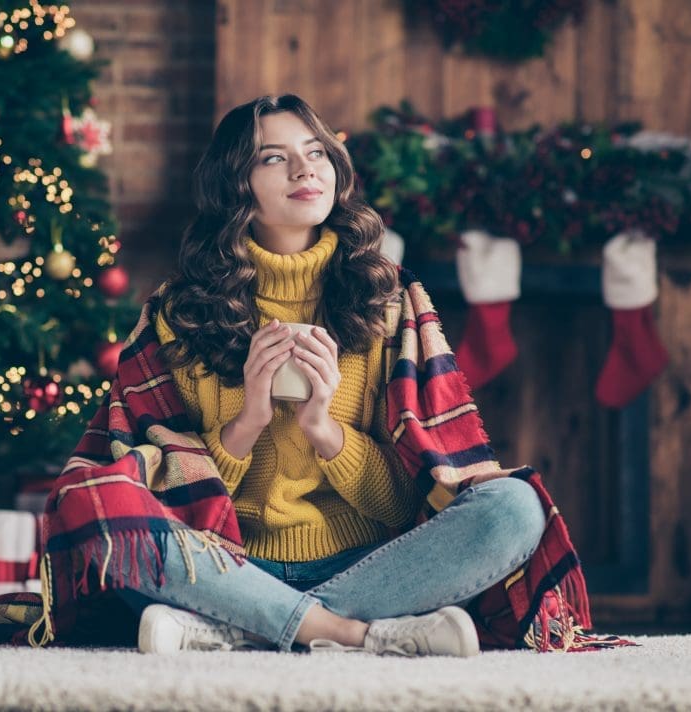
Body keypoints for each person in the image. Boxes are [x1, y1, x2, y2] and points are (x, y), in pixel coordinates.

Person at [105, 94, 548, 656]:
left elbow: (403, 503)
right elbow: (165, 501)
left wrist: (323, 428)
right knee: (104, 515)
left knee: (514, 507)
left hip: (370, 567)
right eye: (272, 158)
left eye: (316, 151)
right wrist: (249, 421)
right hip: (231, 562)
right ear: (233, 184)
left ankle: (240, 628)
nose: (304, 168)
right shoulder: (180, 311)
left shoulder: (387, 299)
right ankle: (348, 634)